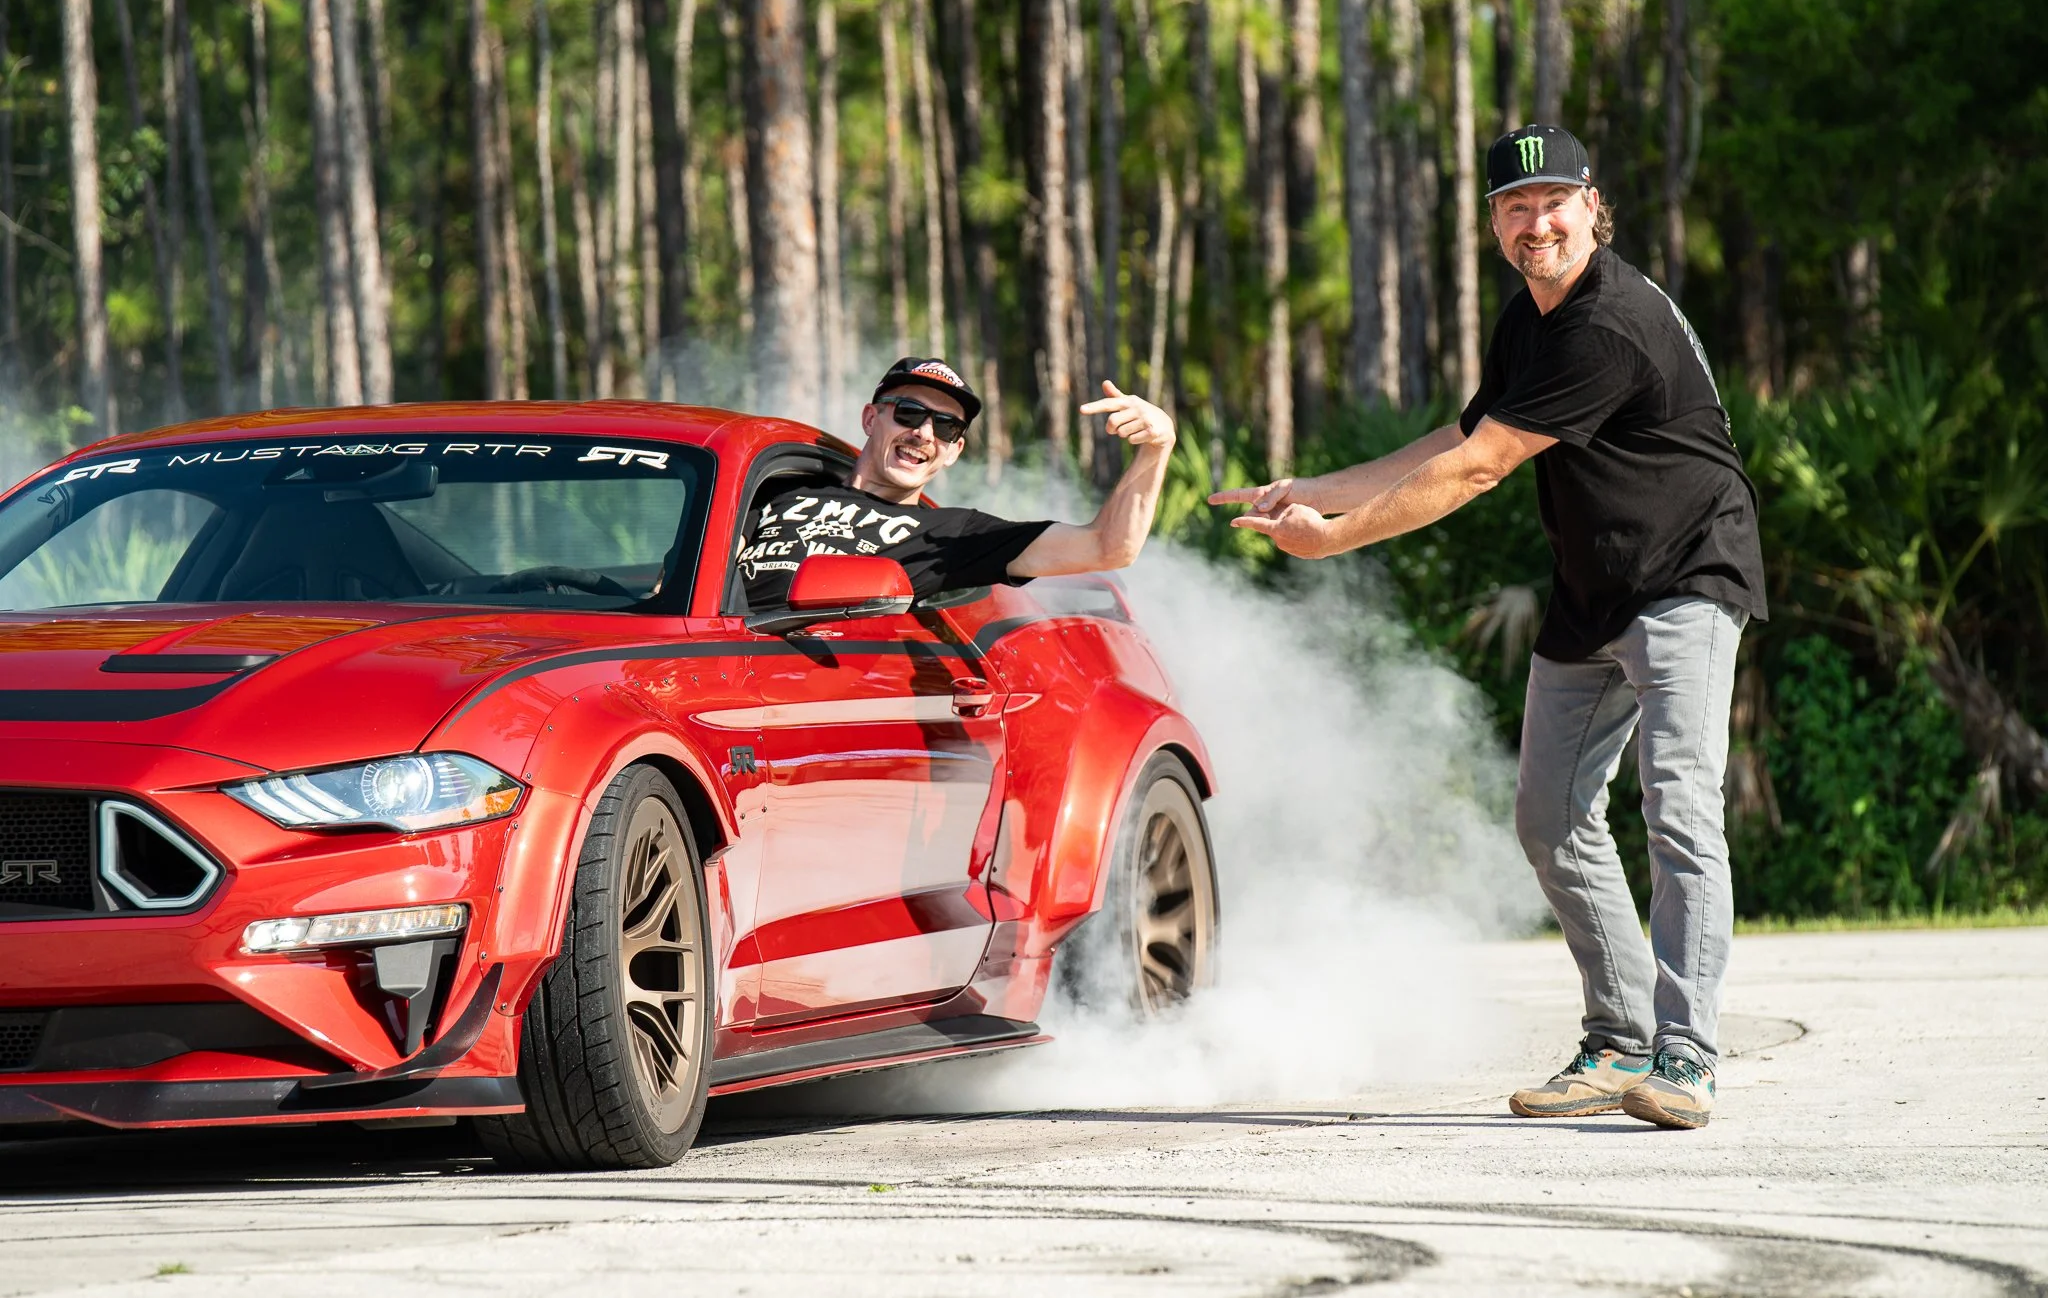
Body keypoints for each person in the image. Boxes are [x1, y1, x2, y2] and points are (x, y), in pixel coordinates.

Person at [1211, 124, 1766, 1130]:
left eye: (1552, 202)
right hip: (1592, 586)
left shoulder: (1604, 322)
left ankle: (1685, 1056)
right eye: (1514, 207)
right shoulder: (1531, 319)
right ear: (1492, 223)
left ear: (1592, 208)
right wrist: (1313, 488)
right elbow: (1460, 435)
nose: (1534, 222)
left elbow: (1478, 470)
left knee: (1678, 811)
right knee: (1548, 817)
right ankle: (1617, 1039)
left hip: (1686, 572)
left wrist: (1328, 540)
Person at [740, 357, 1176, 610]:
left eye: (946, 427)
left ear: (954, 451)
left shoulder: (948, 536)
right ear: (871, 419)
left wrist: (1157, 447)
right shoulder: (779, 486)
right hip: (714, 649)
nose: (925, 434)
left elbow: (1109, 547)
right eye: (909, 413)